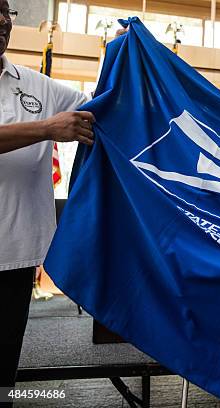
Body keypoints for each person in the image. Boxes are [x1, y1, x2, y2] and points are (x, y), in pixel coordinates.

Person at [0, 1, 95, 405]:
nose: (3, 19)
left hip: (15, 255)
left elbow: (98, 106)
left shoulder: (33, 83)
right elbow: (52, 128)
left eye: (6, 11)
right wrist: (46, 128)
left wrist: (125, 60)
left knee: (3, 371)